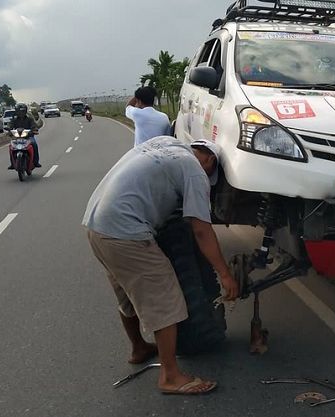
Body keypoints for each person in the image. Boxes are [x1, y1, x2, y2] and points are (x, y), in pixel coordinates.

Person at [82, 136, 238, 395]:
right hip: (125, 231)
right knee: (166, 297)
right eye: (212, 172)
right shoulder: (195, 171)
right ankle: (170, 376)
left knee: (128, 294)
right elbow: (201, 229)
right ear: (209, 160)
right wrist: (225, 274)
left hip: (96, 225)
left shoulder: (165, 143)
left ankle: (139, 348)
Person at [7, 104, 41, 169]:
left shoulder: (29, 119)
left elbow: (34, 126)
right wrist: (9, 130)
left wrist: (34, 130)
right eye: (19, 112)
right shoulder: (14, 120)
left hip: (28, 137)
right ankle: (12, 164)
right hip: (17, 137)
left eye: (22, 111)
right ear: (16, 112)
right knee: (11, 147)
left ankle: (36, 162)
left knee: (34, 144)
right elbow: (10, 125)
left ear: (25, 111)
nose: (21, 113)